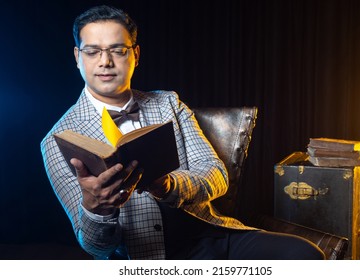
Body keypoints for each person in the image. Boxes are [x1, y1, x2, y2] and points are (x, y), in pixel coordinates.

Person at [41, 5, 325, 260]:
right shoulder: (58, 140)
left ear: (135, 55)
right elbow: (95, 247)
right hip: (146, 258)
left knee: (305, 255)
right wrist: (96, 209)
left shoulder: (168, 103)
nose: (105, 61)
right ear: (78, 57)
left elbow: (217, 175)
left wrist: (169, 185)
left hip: (212, 236)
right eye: (92, 51)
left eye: (118, 50)